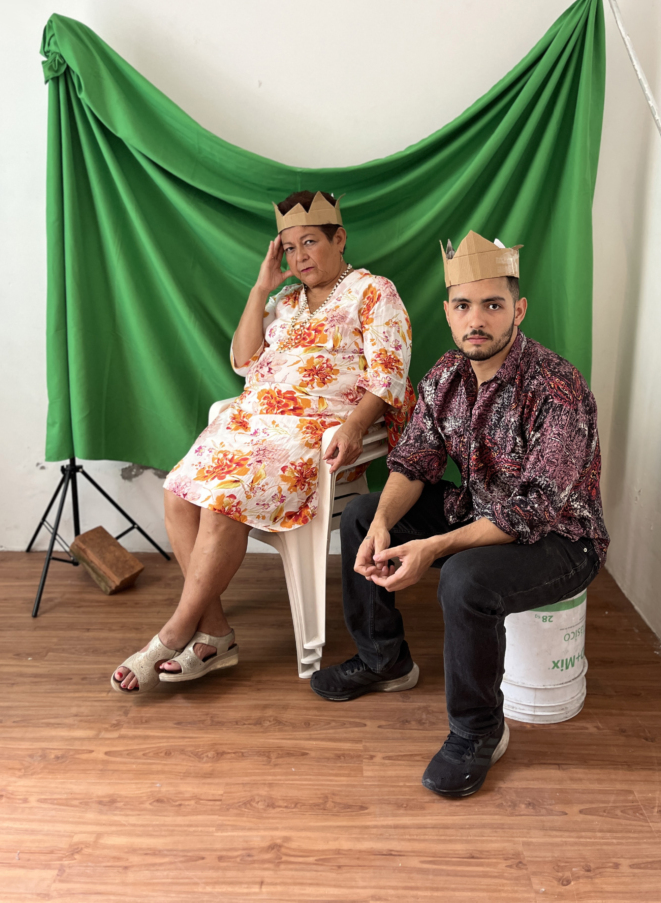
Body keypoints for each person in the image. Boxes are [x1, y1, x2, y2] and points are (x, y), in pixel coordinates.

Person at [310, 230, 609, 798]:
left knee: (466, 579)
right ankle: (385, 661)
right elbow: (415, 461)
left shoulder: (556, 387)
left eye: (493, 305)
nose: (478, 319)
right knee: (364, 514)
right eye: (465, 306)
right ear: (448, 312)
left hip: (561, 539)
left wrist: (435, 549)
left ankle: (478, 731)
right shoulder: (446, 376)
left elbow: (533, 511)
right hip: (479, 511)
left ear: (517, 310)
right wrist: (381, 527)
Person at [111, 191, 414, 693]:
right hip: (252, 422)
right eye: (290, 248)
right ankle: (215, 633)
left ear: (340, 238)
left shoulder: (373, 291)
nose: (300, 258)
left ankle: (175, 633)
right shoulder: (285, 301)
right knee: (179, 492)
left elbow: (390, 377)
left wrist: (357, 427)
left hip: (313, 432)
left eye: (311, 243)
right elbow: (244, 362)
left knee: (222, 499)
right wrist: (259, 290)